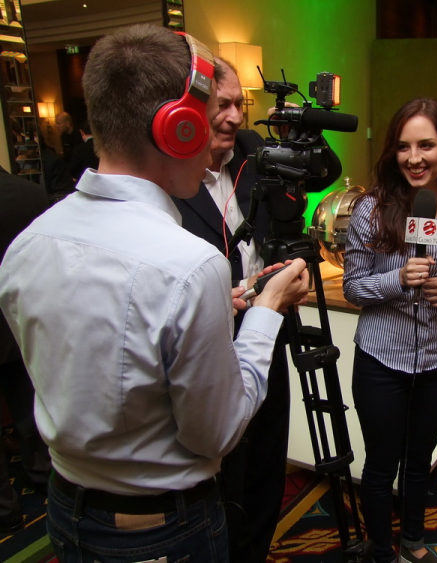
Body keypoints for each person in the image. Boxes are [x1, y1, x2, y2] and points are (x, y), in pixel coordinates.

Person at [0, 24, 309, 562]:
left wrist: (214, 306)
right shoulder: (189, 266)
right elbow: (219, 432)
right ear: (179, 129)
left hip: (65, 511)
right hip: (160, 531)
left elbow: (98, 352)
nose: (219, 132)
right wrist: (265, 310)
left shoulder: (29, 243)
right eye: (207, 116)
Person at [172, 57, 339, 563]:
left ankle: (258, 549)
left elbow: (325, 171)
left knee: (267, 459)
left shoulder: (253, 152)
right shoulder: (168, 181)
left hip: (272, 328)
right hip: (207, 346)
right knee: (226, 470)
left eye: (238, 104)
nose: (234, 117)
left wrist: (305, 126)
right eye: (220, 105)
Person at [343, 98, 437, 563]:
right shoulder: (370, 208)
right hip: (382, 360)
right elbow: (354, 288)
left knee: (420, 462)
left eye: (426, 145)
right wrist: (397, 279)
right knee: (381, 467)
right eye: (403, 147)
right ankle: (382, 552)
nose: (414, 158)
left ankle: (414, 543)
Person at [0, 166, 51, 535]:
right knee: (29, 409)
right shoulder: (29, 194)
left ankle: (5, 508)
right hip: (20, 322)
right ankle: (42, 474)